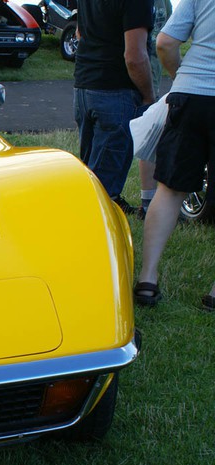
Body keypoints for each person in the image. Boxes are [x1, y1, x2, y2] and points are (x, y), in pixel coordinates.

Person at [134, 0, 215, 310]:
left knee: (169, 190)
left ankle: (147, 282)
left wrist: (181, 76)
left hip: (190, 95)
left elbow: (165, 42)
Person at [73, 0, 155, 214]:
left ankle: (99, 206)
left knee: (90, 171)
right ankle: (96, 225)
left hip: (84, 85)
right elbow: (134, 57)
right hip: (115, 89)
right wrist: (148, 95)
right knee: (103, 186)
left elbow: (80, 34)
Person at [136, 0, 173, 218]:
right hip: (129, 74)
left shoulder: (164, 4)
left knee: (150, 136)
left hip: (153, 77)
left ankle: (148, 201)